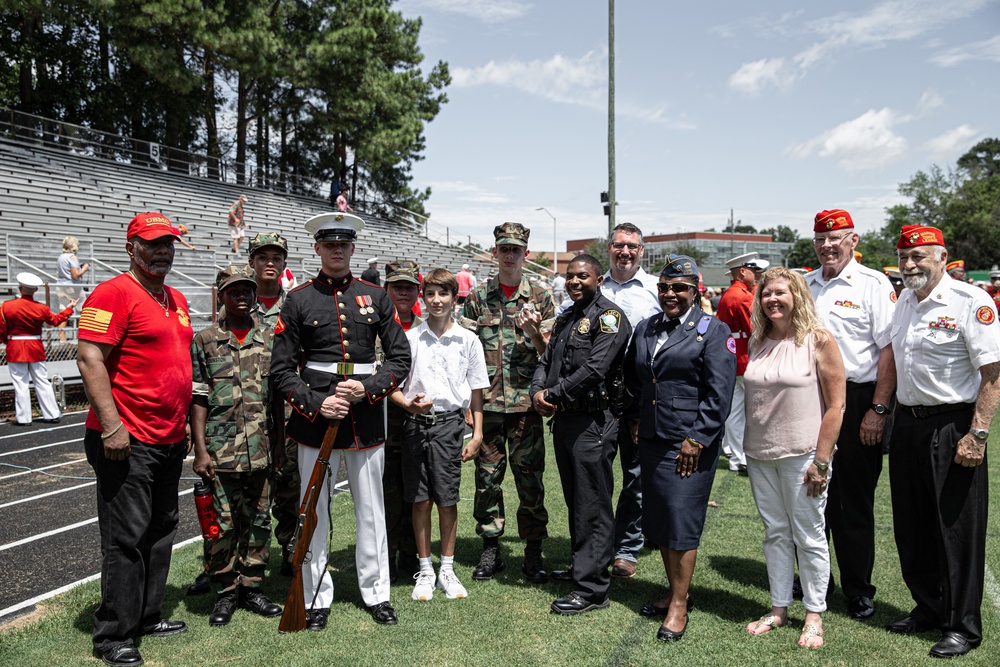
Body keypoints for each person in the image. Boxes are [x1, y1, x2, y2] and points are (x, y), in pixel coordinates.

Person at [270, 211, 411, 629]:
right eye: (329, 244)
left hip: (365, 418)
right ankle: (315, 596)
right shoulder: (298, 299)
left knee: (371, 510)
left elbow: (400, 357)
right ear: (317, 248)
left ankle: (377, 592)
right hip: (316, 420)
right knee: (313, 510)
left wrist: (368, 389)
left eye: (343, 244)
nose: (337, 250)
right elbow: (281, 370)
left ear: (353, 248)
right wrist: (316, 404)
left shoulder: (376, 296)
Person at [77, 212, 193, 667]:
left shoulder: (175, 296)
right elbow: (89, 358)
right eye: (152, 244)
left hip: (166, 437)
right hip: (125, 438)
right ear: (131, 248)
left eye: (168, 243)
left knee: (161, 528)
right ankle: (113, 635)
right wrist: (111, 425)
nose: (162, 250)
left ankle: (146, 616)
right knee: (125, 537)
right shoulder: (113, 292)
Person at [886, 225, 1000, 659]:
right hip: (908, 424)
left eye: (919, 256)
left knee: (956, 529)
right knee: (912, 524)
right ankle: (927, 607)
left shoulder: (971, 302)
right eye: (904, 256)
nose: (910, 264)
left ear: (942, 256)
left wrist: (979, 433)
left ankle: (962, 626)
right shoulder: (904, 302)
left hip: (954, 425)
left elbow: (993, 374)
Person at [622, 254, 735, 641]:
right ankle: (674, 590)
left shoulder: (714, 330)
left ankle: (679, 605)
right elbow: (636, 378)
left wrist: (697, 438)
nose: (671, 294)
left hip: (689, 444)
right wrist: (637, 417)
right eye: (665, 287)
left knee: (681, 521)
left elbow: (720, 395)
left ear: (695, 291)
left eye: (680, 288)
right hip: (654, 438)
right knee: (661, 519)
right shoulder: (647, 327)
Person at [742, 267, 845, 650]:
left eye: (780, 293)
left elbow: (837, 406)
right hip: (759, 453)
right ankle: (779, 608)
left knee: (809, 534)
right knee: (776, 534)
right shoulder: (758, 340)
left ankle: (814, 613)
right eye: (767, 293)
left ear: (797, 295)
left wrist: (821, 460)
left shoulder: (818, 340)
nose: (772, 299)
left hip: (803, 454)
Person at [187, 232, 293, 597]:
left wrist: (279, 442)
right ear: (222, 296)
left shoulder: (270, 335)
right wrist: (199, 449)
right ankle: (223, 587)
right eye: (234, 291)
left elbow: (276, 394)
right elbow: (198, 396)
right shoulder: (205, 339)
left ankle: (254, 584)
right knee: (222, 521)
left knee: (262, 518)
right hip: (221, 448)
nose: (243, 297)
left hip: (263, 445)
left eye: (247, 291)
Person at [805, 209, 896, 621]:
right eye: (820, 239)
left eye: (835, 238)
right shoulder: (804, 285)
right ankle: (814, 582)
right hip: (809, 400)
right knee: (808, 493)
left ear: (853, 240)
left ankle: (858, 588)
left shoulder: (873, 284)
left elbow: (888, 351)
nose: (827, 246)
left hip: (858, 399)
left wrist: (877, 409)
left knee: (852, 501)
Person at [530, 255, 632, 615]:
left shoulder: (609, 317)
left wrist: (552, 395)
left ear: (598, 278)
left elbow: (596, 367)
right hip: (566, 421)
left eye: (582, 276)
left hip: (593, 423)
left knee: (593, 505)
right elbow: (546, 361)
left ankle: (592, 590)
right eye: (570, 277)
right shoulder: (567, 316)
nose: (574, 282)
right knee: (577, 502)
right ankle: (582, 568)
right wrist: (537, 392)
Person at [459, 222, 555, 584]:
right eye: (504, 248)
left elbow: (551, 355)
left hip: (526, 408)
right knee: (487, 481)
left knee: (530, 482)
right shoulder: (479, 296)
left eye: (516, 249)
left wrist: (532, 331)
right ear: (495, 252)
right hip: (487, 407)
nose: (510, 254)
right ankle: (491, 548)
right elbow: (465, 355)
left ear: (526, 253)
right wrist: (467, 403)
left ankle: (533, 551)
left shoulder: (542, 297)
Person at [392, 268, 488, 601]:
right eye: (430, 294)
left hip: (450, 426)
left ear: (454, 298)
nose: (436, 301)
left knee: (447, 499)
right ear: (423, 297)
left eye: (443, 294)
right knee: (420, 499)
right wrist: (408, 404)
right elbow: (393, 386)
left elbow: (476, 391)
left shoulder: (468, 339)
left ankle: (446, 568)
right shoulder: (410, 339)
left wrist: (476, 433)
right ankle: (425, 568)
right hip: (416, 425)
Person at [596, 222, 660, 579]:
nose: (625, 252)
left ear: (641, 251)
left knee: (636, 475)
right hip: (599, 394)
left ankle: (627, 548)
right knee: (598, 474)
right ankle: (600, 542)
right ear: (609, 248)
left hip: (640, 393)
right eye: (619, 245)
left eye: (632, 247)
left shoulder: (653, 289)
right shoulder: (593, 285)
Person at [381, 260, 424, 583]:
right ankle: (385, 554)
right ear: (386, 290)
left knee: (415, 491)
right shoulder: (374, 328)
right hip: (382, 426)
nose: (404, 292)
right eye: (398, 287)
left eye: (409, 287)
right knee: (385, 494)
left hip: (420, 425)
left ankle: (410, 556)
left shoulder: (427, 328)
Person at [2, 272, 76, 425]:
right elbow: (55, 321)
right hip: (35, 347)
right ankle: (51, 413)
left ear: (20, 288)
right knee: (42, 381)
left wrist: (7, 341)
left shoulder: (7, 306)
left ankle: (23, 418)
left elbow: (1, 328)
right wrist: (68, 309)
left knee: (20, 384)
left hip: (15, 347)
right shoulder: (41, 308)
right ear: (35, 290)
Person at [716, 252, 760, 473]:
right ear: (743, 271)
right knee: (749, 411)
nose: (756, 275)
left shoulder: (729, 295)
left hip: (733, 357)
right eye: (753, 270)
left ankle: (736, 456)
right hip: (746, 358)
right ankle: (743, 456)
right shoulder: (743, 297)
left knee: (734, 413)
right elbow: (756, 330)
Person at [56, 236, 89, 342]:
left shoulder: (61, 257)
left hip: (61, 285)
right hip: (73, 287)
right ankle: (82, 337)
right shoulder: (72, 257)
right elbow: (75, 275)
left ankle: (62, 338)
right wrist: (84, 268)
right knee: (83, 310)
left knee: (64, 310)